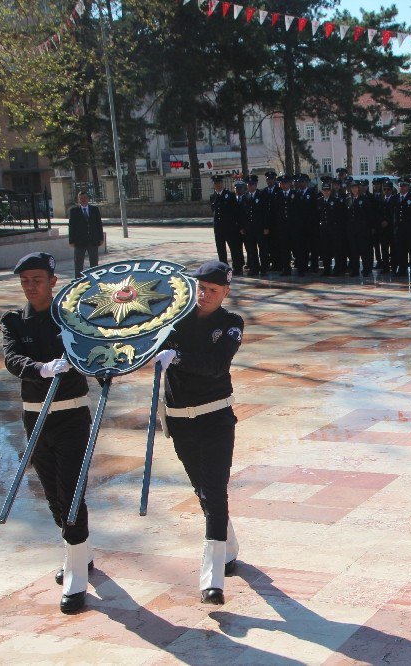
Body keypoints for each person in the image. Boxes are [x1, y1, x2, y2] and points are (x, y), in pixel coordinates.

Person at [1, 252, 94, 613]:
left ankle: (76, 578)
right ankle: (80, 552)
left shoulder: (70, 317)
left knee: (72, 493)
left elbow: (93, 350)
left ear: (53, 281)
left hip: (71, 414)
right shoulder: (14, 320)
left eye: (37, 279)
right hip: (35, 415)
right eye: (25, 280)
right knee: (53, 493)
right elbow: (11, 358)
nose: (30, 285)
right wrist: (40, 368)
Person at [154, 260, 243, 605]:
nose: (205, 296)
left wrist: (174, 357)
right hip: (179, 420)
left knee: (215, 492)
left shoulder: (231, 323)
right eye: (201, 288)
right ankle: (229, 546)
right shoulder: (174, 320)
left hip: (215, 418)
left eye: (213, 291)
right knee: (203, 492)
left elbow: (215, 365)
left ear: (225, 293)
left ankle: (212, 581)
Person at [211, 176, 244, 274]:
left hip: (230, 227)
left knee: (234, 249)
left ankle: (238, 268)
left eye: (219, 183)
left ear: (222, 183)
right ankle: (224, 268)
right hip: (218, 228)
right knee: (221, 249)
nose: (218, 185)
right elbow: (214, 211)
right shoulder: (213, 196)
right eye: (216, 183)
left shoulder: (229, 195)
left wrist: (238, 226)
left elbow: (235, 211)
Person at [68, 191, 104, 273]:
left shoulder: (95, 209)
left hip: (93, 240)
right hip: (79, 241)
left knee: (94, 264)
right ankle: (78, 282)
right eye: (81, 198)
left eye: (85, 198)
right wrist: (71, 241)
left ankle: (94, 281)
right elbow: (71, 227)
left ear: (88, 199)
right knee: (78, 264)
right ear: (78, 200)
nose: (83, 200)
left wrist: (101, 238)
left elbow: (99, 224)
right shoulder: (74, 211)